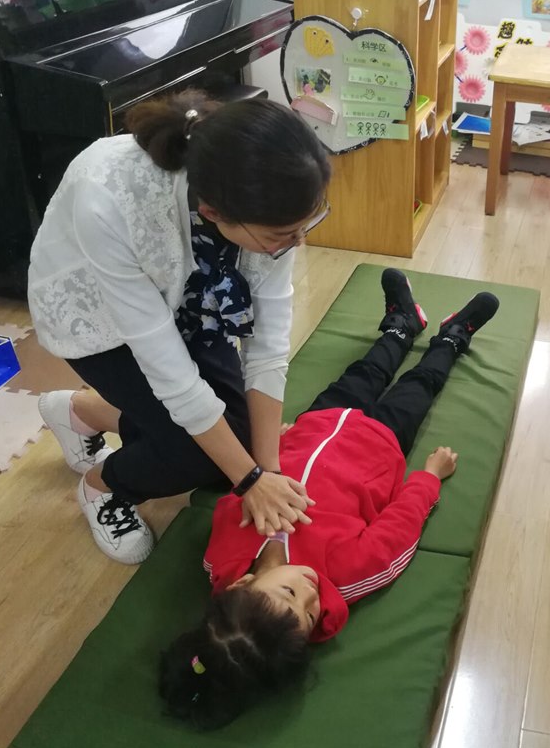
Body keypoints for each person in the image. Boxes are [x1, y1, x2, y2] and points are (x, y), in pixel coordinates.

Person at [159, 269, 499, 730]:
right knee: (419, 385)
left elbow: (235, 498)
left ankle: (402, 324)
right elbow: (397, 532)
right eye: (310, 614)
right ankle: (452, 337)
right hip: (382, 444)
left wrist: (275, 449)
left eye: (290, 594)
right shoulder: (343, 574)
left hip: (318, 423)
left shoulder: (221, 559)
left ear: (241, 587)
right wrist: (429, 478)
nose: (311, 594)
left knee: (367, 370)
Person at [30, 90, 331, 564]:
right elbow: (167, 370)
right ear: (213, 213)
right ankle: (101, 487)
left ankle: (83, 413)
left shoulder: (267, 200)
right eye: (281, 235)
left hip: (188, 300)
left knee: (234, 443)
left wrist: (266, 470)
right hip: (100, 320)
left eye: (303, 226)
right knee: (199, 455)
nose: (296, 243)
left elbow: (268, 346)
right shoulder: (107, 197)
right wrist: (250, 480)